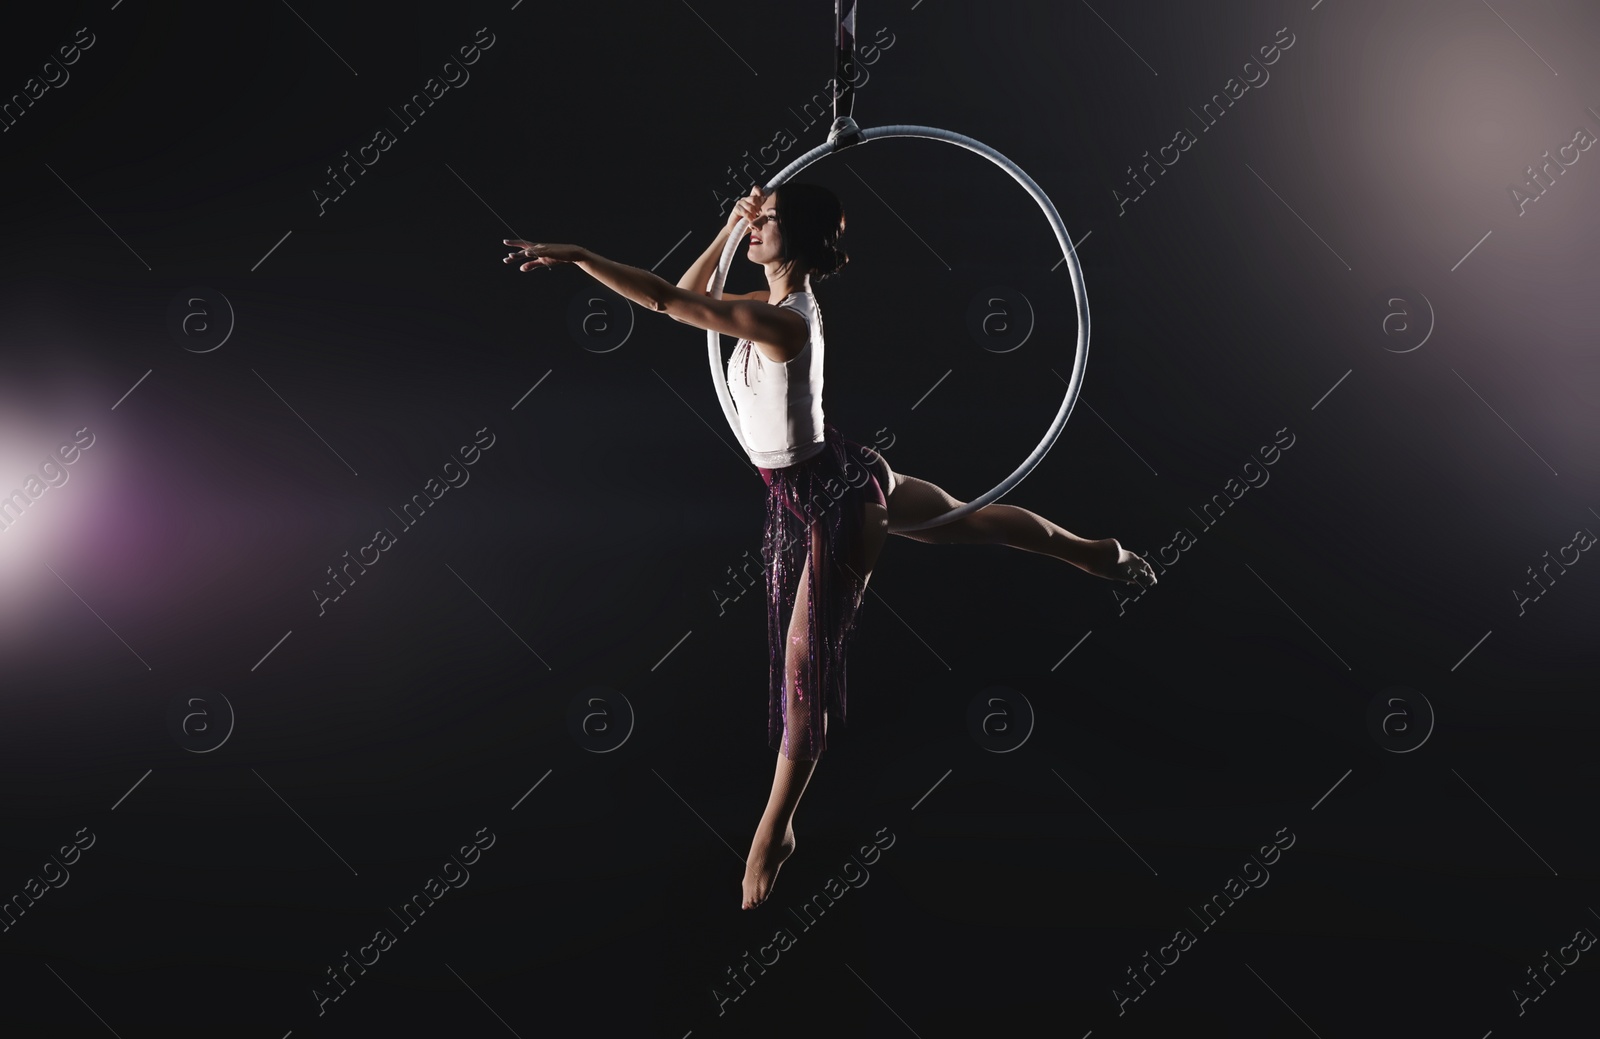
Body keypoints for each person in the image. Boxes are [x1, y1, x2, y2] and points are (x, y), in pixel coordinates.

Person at [501, 183, 1157, 910]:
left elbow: (664, 300)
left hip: (835, 507)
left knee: (803, 665)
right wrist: (728, 226)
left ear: (802, 238)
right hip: (835, 470)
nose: (759, 223)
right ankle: (1097, 551)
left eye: (770, 218)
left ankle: (773, 830)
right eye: (759, 214)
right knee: (972, 522)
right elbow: (689, 293)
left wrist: (578, 253)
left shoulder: (785, 323)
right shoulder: (763, 305)